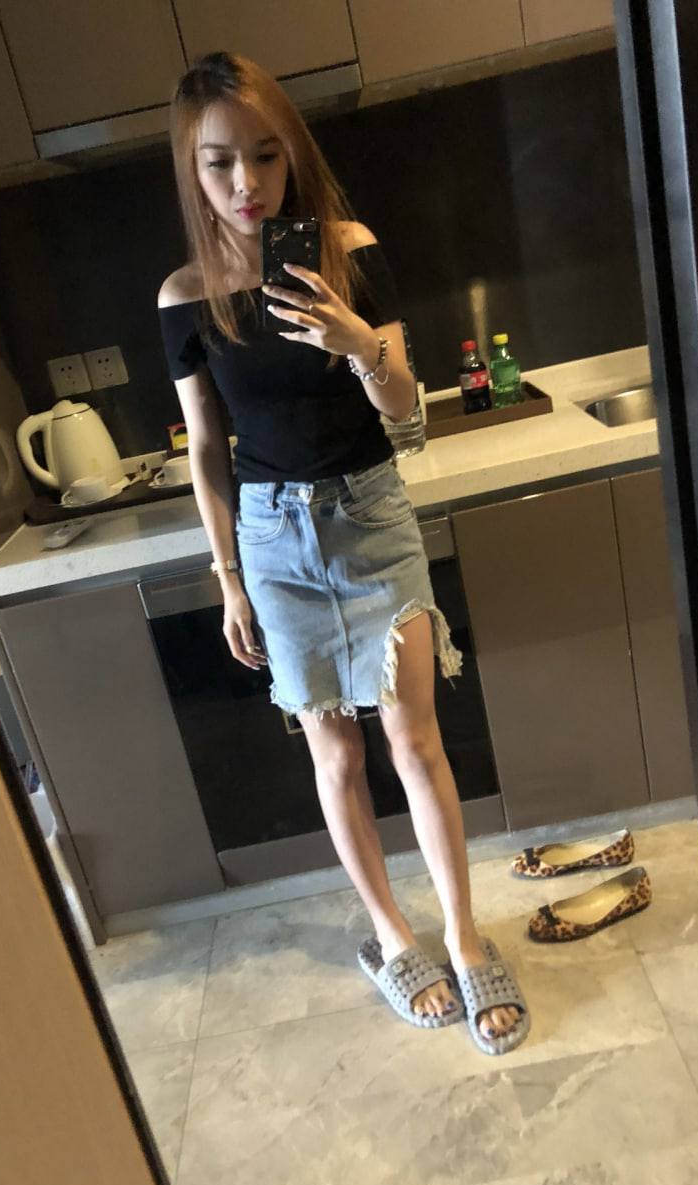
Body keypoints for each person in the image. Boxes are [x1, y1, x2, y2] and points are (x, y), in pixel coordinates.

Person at [158, 51, 529, 1054]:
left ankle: (464, 937)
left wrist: (358, 342)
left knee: (416, 741)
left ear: (293, 154)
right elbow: (207, 451)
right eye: (220, 163)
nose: (247, 184)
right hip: (272, 540)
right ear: (193, 171)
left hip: (370, 514)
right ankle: (392, 934)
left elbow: (407, 419)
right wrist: (228, 578)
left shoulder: (351, 252)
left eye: (265, 156)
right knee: (337, 752)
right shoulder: (185, 298)